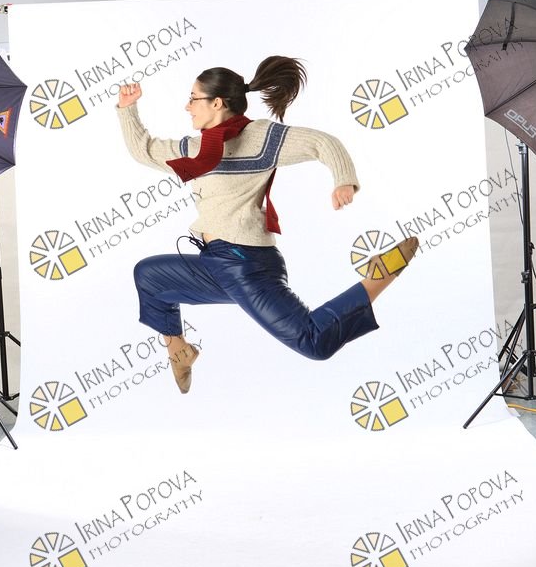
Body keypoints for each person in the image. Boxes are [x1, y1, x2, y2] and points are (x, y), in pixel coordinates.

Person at [116, 56, 418, 393]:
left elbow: (322, 143)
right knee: (149, 277)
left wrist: (343, 180)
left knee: (314, 341)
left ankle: (378, 276)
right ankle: (180, 351)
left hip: (246, 265)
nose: (187, 107)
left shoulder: (261, 137)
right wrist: (128, 108)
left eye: (193, 98)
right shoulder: (195, 149)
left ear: (217, 103)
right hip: (216, 262)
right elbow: (144, 150)